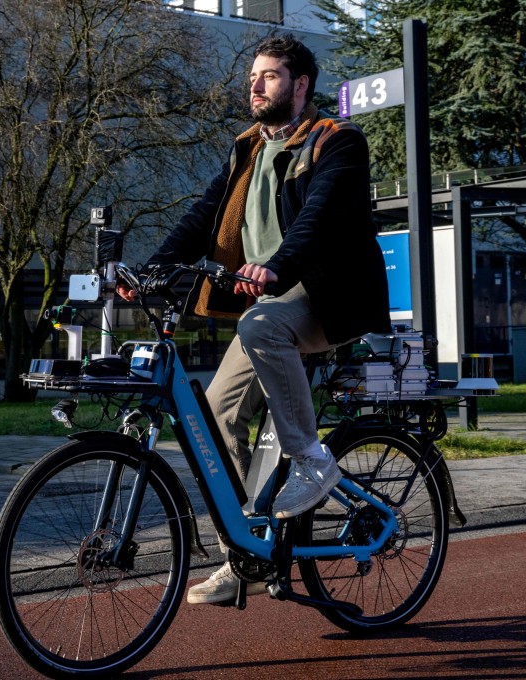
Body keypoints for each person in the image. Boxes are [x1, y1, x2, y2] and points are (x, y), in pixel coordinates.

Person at [119, 34, 391, 605]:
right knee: (214, 418)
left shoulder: (337, 141)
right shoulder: (249, 149)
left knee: (259, 326)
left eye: (268, 76)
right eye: (252, 77)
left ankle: (313, 461)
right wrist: (149, 270)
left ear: (300, 85)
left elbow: (317, 219)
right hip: (269, 305)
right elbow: (203, 216)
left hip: (326, 296)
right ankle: (243, 549)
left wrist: (274, 267)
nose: (255, 85)